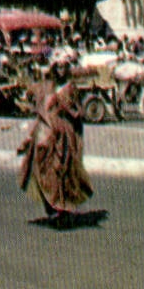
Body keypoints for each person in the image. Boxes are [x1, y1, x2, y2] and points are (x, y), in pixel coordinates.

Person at [16, 79, 94, 223]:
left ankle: (62, 207)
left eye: (63, 66)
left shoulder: (70, 88)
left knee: (62, 172)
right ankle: (52, 205)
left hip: (63, 137)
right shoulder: (44, 87)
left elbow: (77, 112)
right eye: (58, 66)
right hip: (45, 135)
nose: (61, 69)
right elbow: (39, 110)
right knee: (40, 170)